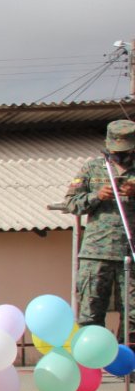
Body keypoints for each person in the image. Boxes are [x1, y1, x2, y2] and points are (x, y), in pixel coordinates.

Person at [65, 119, 135, 337]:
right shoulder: (92, 168)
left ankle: (129, 365)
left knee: (133, 315)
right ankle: (91, 364)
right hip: (96, 253)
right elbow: (71, 203)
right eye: (115, 150)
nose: (119, 155)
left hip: (130, 253)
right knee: (91, 312)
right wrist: (97, 196)